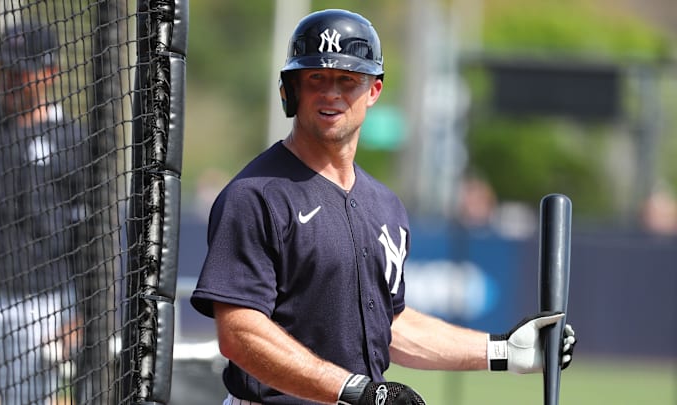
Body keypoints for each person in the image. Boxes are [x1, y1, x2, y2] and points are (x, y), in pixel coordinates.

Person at [191, 9, 576, 405]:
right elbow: (239, 333)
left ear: (373, 90)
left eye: (348, 80)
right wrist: (356, 390)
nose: (331, 93)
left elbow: (389, 326)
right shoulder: (255, 195)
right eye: (316, 78)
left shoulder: (385, 205)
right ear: (291, 89)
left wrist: (505, 351)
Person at [0, 19, 87, 404]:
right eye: (4, 70)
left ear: (49, 73)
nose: (10, 80)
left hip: (40, 304)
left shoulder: (75, 141)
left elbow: (94, 238)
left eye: (20, 72)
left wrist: (81, 314)